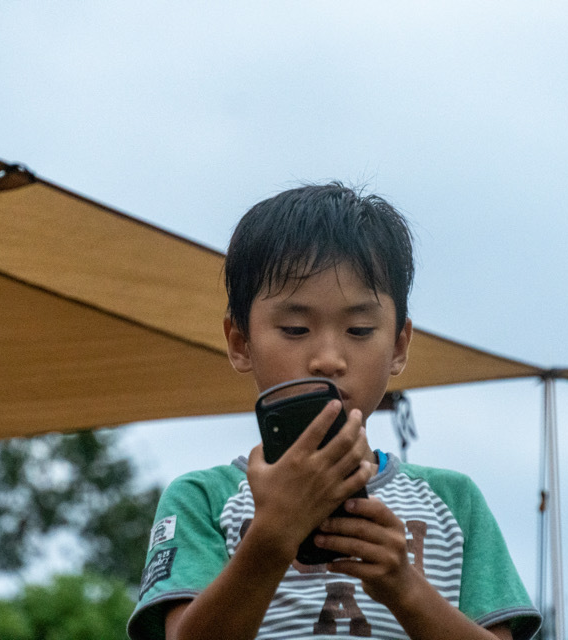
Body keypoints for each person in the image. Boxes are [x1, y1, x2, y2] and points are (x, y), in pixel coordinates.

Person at [127, 183, 541, 640]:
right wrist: (270, 539)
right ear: (240, 342)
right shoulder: (202, 499)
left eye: (360, 330)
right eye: (295, 328)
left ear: (399, 346)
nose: (328, 358)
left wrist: (404, 587)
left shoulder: (454, 502)